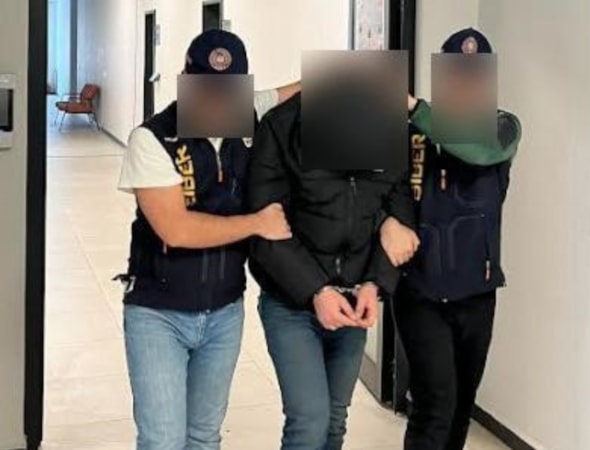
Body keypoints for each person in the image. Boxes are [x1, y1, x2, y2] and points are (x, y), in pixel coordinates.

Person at [116, 29, 300, 450]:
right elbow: (176, 229)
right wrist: (257, 223)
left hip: (224, 311)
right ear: (185, 78)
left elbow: (294, 91)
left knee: (203, 437)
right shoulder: (152, 138)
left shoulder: (248, 113)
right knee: (163, 441)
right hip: (158, 313)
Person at [247, 90, 416, 449]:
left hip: (352, 301)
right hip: (291, 303)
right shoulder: (281, 127)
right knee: (309, 421)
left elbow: (399, 218)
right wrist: (316, 291)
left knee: (335, 420)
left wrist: (374, 283)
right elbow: (264, 227)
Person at [381, 28, 523, 450]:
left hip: (477, 293)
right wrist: (387, 223)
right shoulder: (410, 133)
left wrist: (414, 107)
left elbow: (476, 151)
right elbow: (382, 191)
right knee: (435, 406)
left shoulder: (502, 129)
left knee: (461, 406)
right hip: (421, 292)